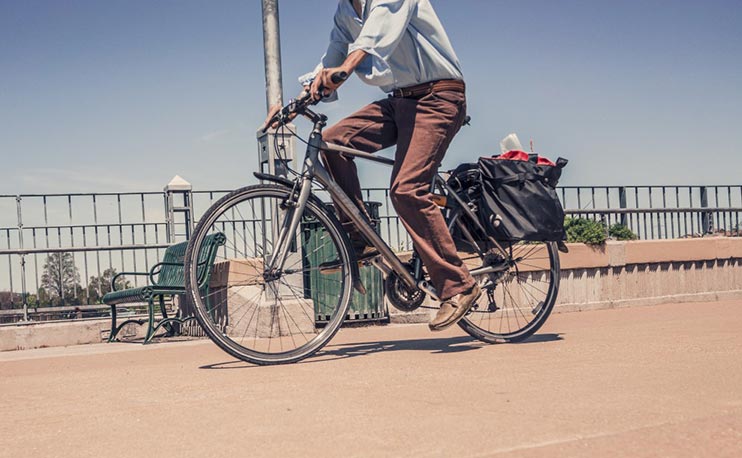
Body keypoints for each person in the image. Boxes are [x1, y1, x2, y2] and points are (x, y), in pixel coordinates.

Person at [264, 0, 480, 331]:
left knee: (407, 189)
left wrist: (346, 70)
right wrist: (294, 104)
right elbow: (331, 58)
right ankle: (359, 239)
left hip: (439, 97)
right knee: (333, 142)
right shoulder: (345, 12)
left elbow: (375, 36)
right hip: (401, 100)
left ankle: (458, 285)